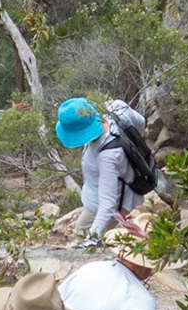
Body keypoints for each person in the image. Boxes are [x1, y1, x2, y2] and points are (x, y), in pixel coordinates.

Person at [56, 95, 147, 239]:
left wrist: (90, 240)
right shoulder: (115, 108)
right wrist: (136, 143)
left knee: (82, 235)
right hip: (108, 192)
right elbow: (140, 121)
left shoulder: (107, 156)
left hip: (108, 203)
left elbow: (108, 205)